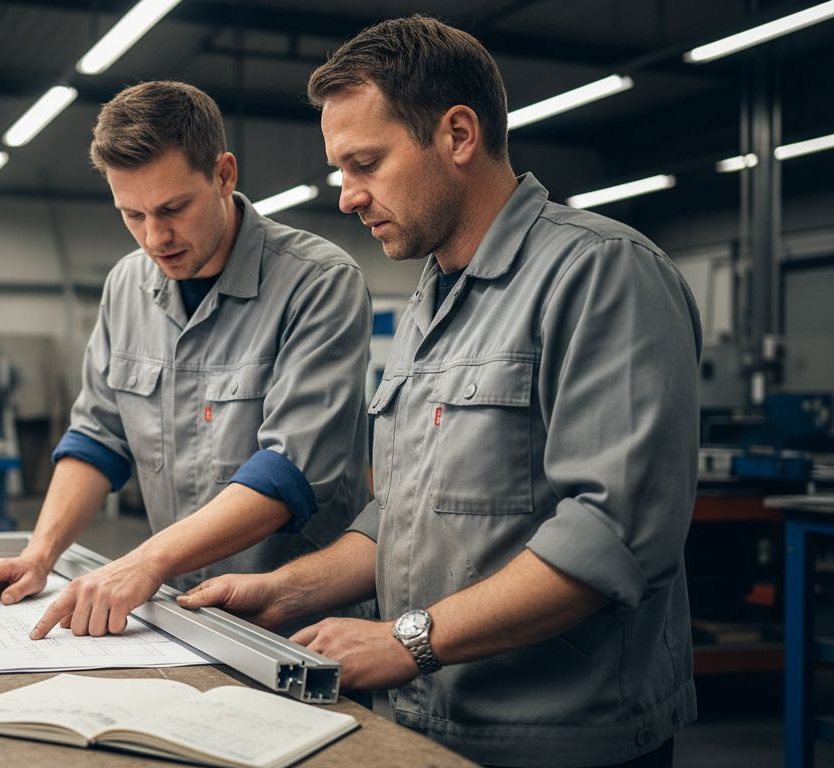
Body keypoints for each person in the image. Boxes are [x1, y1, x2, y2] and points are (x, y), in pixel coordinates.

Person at [178, 17, 701, 768]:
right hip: (425, 724)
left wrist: (406, 640)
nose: (348, 198)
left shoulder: (601, 273)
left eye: (366, 163)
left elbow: (611, 535)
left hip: (557, 740)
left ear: (458, 134)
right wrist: (287, 590)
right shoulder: (431, 298)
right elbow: (405, 515)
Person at [0, 81, 373, 642]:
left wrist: (144, 562)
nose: (155, 238)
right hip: (179, 616)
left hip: (298, 626)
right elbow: (98, 438)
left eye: (174, 208)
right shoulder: (127, 285)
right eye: (132, 214)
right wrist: (39, 554)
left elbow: (289, 472)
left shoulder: (318, 283)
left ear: (223, 175)